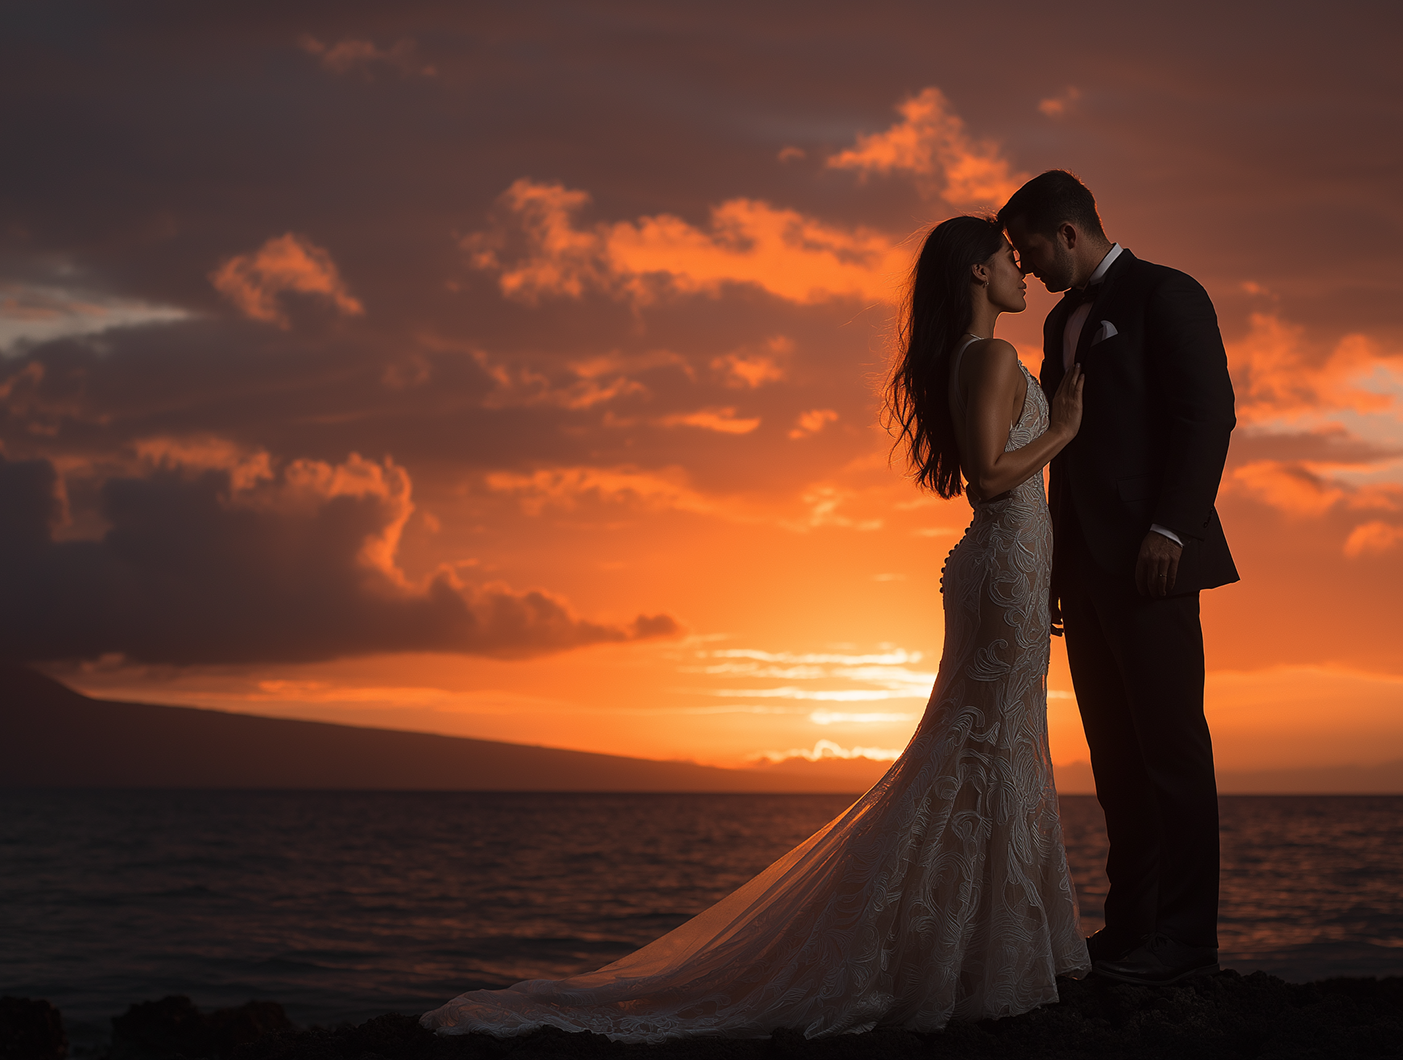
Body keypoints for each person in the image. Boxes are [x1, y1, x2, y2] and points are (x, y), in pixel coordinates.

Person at [420, 216, 1090, 1042]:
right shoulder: (988, 358)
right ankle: (966, 954)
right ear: (977, 274)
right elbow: (988, 479)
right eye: (1007, 260)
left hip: (1011, 569)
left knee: (989, 744)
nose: (1022, 271)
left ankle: (966, 947)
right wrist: (1062, 430)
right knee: (986, 745)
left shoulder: (974, 358)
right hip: (1002, 562)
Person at [998, 170, 1239, 986]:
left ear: (1068, 232)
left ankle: (1189, 940)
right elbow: (1069, 453)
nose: (1024, 267)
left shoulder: (1168, 294)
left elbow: (1207, 416)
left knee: (1172, 749)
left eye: (1030, 248)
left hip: (1152, 560)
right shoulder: (1060, 319)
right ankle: (1133, 927)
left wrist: (1172, 528)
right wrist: (1054, 567)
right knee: (1115, 759)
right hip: (1083, 569)